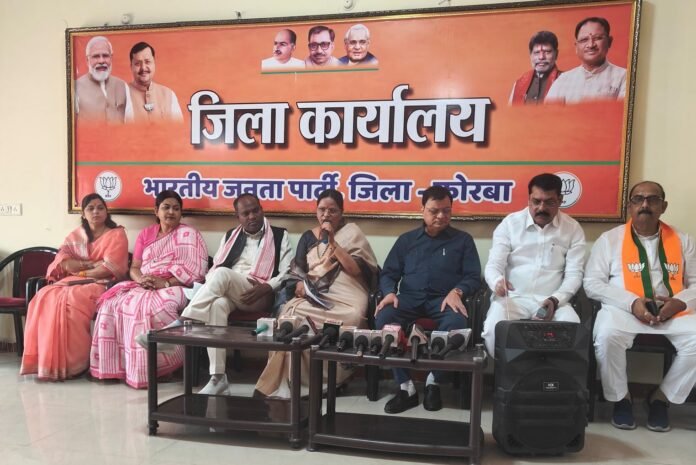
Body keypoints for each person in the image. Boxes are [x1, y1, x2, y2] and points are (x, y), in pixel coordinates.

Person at [140, 193, 292, 395]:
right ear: (238, 217)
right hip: (231, 290)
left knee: (221, 274)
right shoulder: (230, 236)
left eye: (256, 210)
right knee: (217, 304)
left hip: (261, 293)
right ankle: (218, 378)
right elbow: (215, 267)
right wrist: (213, 282)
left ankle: (178, 327)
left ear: (261, 210)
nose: (252, 216)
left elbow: (287, 272)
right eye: (245, 213)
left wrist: (267, 286)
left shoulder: (280, 235)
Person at [585, 181, 696, 432]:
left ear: (663, 206)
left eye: (652, 199)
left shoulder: (683, 240)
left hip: (672, 311)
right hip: (624, 308)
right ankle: (621, 399)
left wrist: (680, 302)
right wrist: (631, 302)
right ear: (629, 206)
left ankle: (661, 399)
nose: (645, 204)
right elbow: (592, 283)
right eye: (638, 199)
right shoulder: (609, 239)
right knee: (607, 335)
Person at [255, 189, 379, 397]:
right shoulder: (307, 237)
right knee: (290, 316)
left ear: (341, 212)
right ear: (316, 211)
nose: (326, 214)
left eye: (332, 210)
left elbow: (356, 270)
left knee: (352, 317)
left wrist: (333, 242)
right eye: (322, 209)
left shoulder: (352, 233)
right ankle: (294, 380)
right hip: (315, 294)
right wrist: (299, 285)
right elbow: (298, 272)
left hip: (348, 292)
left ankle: (335, 379)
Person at [375, 185, 481, 413]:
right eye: (434, 211)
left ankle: (433, 382)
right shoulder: (406, 240)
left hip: (443, 300)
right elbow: (389, 273)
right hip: (409, 299)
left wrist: (458, 291)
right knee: (384, 318)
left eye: (446, 210)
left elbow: (473, 276)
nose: (441, 216)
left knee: (456, 324)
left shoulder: (463, 241)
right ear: (422, 209)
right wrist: (389, 292)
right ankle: (405, 387)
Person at [90, 191, 208, 388]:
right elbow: (135, 267)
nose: (171, 212)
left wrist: (166, 283)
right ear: (156, 211)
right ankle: (119, 367)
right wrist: (142, 280)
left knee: (155, 307)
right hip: (144, 284)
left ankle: (159, 369)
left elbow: (197, 272)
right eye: (166, 207)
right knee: (111, 304)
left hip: (177, 286)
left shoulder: (190, 235)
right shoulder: (146, 234)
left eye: (176, 208)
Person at [20, 194, 129, 380]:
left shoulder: (117, 234)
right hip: (72, 280)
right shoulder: (76, 235)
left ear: (106, 212)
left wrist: (82, 270)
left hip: (102, 283)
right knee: (43, 297)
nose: (96, 212)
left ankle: (75, 364)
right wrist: (89, 265)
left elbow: (110, 268)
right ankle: (46, 362)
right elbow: (64, 262)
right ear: (84, 214)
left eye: (100, 208)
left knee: (71, 301)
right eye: (90, 208)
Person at [481, 173, 585, 356]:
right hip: (513, 299)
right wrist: (497, 282)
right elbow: (493, 265)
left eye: (549, 202)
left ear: (560, 200)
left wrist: (555, 300)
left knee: (572, 328)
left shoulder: (572, 228)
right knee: (492, 331)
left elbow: (574, 275)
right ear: (529, 199)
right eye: (536, 201)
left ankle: (549, 373)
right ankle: (507, 372)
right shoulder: (510, 224)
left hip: (553, 301)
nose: (541, 208)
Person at [546, 17, 626, 104]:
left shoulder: (624, 77)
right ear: (576, 46)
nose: (591, 45)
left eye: (598, 38)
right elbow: (548, 111)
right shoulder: (563, 80)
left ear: (609, 42)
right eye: (584, 40)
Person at [75, 36, 131, 123]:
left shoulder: (122, 86)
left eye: (105, 56)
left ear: (111, 58)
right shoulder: (75, 88)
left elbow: (131, 124)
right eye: (96, 56)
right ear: (87, 60)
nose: (101, 61)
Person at [125, 42, 183, 123]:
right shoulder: (122, 96)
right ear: (131, 66)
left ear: (154, 63)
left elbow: (178, 129)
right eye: (137, 63)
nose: (143, 68)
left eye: (147, 62)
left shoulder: (169, 95)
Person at [509, 31, 561, 105]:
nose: (541, 57)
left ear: (556, 54)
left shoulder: (566, 81)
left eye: (547, 52)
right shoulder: (519, 84)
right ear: (530, 55)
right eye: (537, 52)